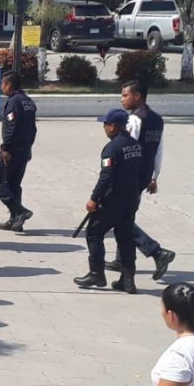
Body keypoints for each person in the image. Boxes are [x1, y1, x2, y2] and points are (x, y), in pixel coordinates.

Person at [110, 81, 177, 280]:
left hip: (129, 176)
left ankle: (157, 252)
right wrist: (154, 176)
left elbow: (127, 149)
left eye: (125, 95)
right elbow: (159, 150)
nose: (122, 100)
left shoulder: (134, 120)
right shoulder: (157, 119)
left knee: (120, 218)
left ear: (137, 96)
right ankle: (122, 259)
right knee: (126, 214)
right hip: (144, 174)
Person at [75, 109, 144, 293]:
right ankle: (128, 280)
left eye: (105, 124)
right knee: (125, 237)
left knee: (94, 233)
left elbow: (106, 177)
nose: (104, 128)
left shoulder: (112, 148)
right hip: (131, 200)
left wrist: (94, 198)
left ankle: (96, 274)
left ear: (113, 126)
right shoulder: (135, 144)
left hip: (112, 200)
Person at [0, 71, 37, 232]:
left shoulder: (14, 102)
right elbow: (33, 128)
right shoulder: (28, 101)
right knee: (14, 183)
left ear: (9, 85)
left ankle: (19, 211)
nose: (1, 87)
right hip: (24, 149)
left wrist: (6, 148)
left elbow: (12, 127)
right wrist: (29, 147)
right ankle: (16, 220)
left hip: (13, 149)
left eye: (2, 84)